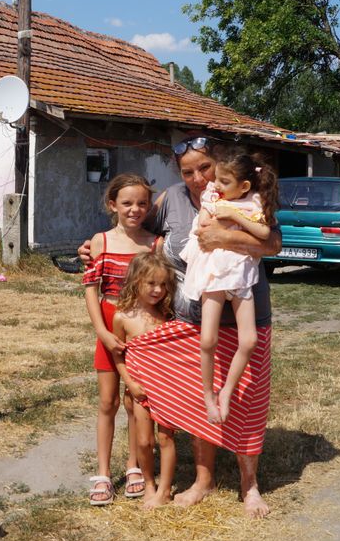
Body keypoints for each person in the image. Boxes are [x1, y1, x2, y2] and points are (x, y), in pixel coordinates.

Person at [78, 136, 280, 517]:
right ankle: (203, 480)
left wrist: (227, 235)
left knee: (248, 398)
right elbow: (134, 229)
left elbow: (274, 243)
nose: (199, 178)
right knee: (196, 399)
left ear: (219, 164)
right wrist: (92, 246)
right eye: (188, 172)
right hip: (189, 318)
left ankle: (248, 484)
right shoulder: (170, 199)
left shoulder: (242, 196)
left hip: (245, 308)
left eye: (205, 168)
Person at [178, 152, 276, 426]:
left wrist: (234, 214)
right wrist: (221, 214)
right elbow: (203, 227)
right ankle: (208, 395)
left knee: (250, 341)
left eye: (224, 180)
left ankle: (227, 392)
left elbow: (265, 234)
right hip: (214, 275)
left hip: (241, 276)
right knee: (208, 340)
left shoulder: (254, 201)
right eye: (217, 179)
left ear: (244, 186)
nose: (215, 184)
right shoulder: (213, 197)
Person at [81, 173, 160, 506]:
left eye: (142, 203)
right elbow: (90, 289)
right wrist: (101, 331)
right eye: (127, 203)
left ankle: (133, 467)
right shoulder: (100, 241)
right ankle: (102, 472)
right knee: (108, 402)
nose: (135, 209)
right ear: (112, 205)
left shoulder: (155, 244)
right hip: (110, 327)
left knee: (136, 402)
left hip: (143, 333)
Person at [110, 252, 177, 509]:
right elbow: (118, 358)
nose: (158, 290)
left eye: (163, 284)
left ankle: (166, 487)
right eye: (151, 283)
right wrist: (130, 383)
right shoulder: (122, 317)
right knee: (144, 441)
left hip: (166, 388)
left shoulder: (167, 314)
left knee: (166, 439)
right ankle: (149, 483)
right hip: (140, 390)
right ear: (136, 280)